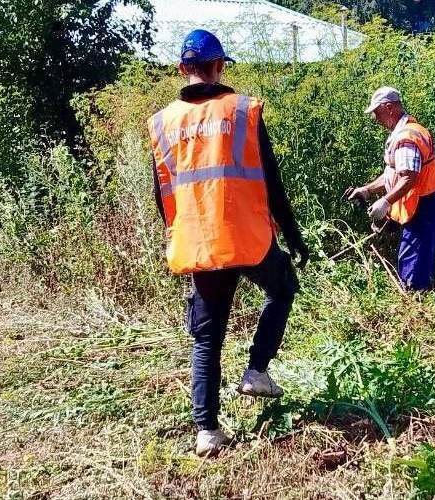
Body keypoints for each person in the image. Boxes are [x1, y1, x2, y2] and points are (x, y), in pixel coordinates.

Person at [147, 29, 309, 457]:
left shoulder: (163, 122)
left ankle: (206, 431)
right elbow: (272, 182)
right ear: (219, 67)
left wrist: (182, 236)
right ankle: (256, 370)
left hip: (199, 241)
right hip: (248, 237)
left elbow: (161, 194)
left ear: (183, 70)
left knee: (207, 338)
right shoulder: (242, 111)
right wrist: (293, 237)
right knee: (283, 288)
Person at [344, 87, 435, 291]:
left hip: (422, 205)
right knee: (423, 259)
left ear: (389, 107)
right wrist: (367, 190)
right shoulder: (407, 131)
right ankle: (430, 299)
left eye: (376, 111)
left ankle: (416, 309)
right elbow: (394, 173)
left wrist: (386, 202)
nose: (374, 118)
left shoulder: (407, 137)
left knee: (413, 266)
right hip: (425, 202)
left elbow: (409, 177)